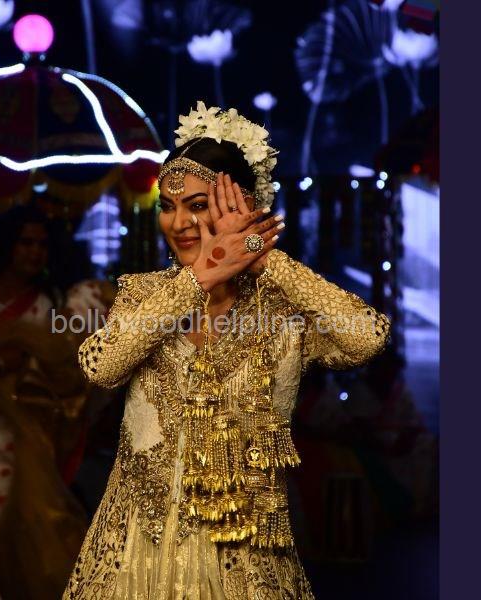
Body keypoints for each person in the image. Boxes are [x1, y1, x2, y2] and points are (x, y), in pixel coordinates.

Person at [63, 103, 391, 599]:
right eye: (169, 207)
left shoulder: (285, 311)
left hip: (247, 564)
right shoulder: (143, 296)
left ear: (247, 209)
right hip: (134, 558)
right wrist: (199, 277)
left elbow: (367, 337)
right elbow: (100, 366)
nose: (179, 222)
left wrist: (265, 257)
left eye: (198, 206)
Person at [0, 205, 109, 599]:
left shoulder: (51, 304)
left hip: (36, 440)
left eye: (41, 244)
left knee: (35, 532)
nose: (35, 252)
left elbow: (65, 367)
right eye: (25, 243)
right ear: (6, 246)